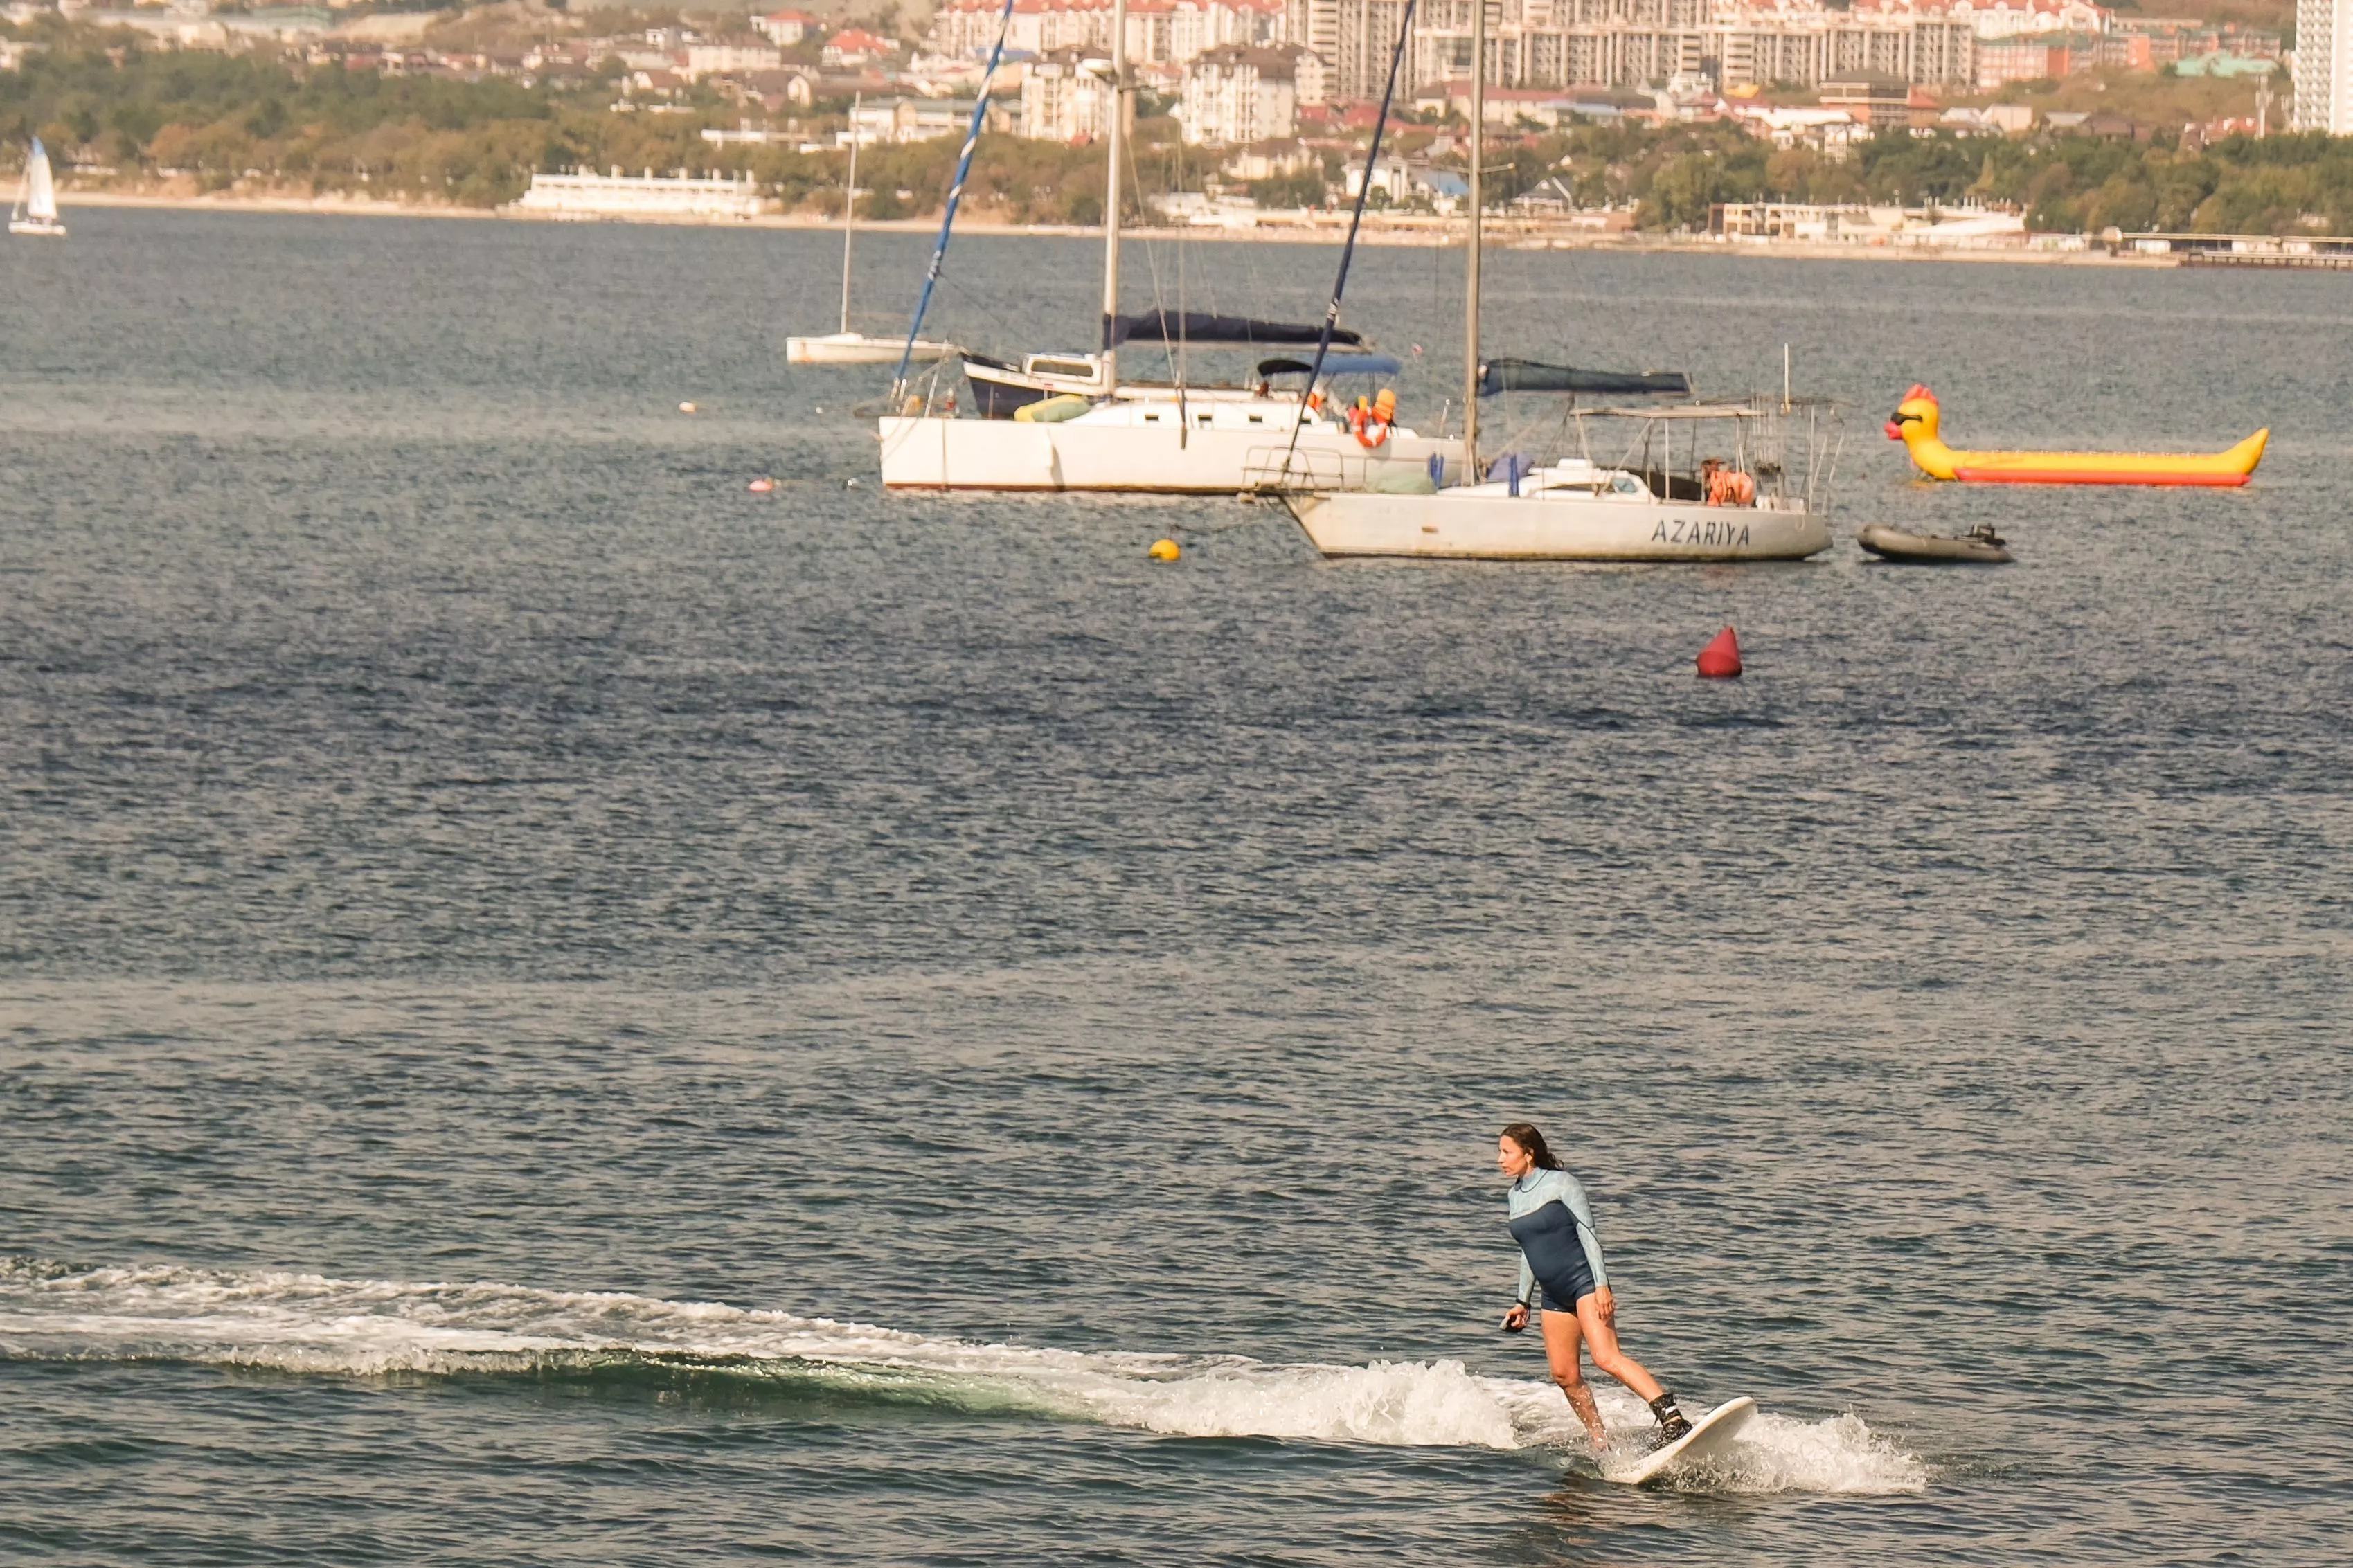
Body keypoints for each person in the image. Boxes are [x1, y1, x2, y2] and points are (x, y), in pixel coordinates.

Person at [1496, 1121, 1692, 1450]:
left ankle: (1674, 1419)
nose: (1500, 1159)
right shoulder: (1514, 1195)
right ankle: (1600, 1441)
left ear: (1528, 1154)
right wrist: (1522, 1301)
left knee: (1606, 1357)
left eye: (1506, 1152)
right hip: (1553, 1295)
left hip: (1583, 1283)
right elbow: (1529, 1249)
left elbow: (1588, 1233)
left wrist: (1602, 1285)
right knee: (1563, 1374)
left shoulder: (1562, 1183)